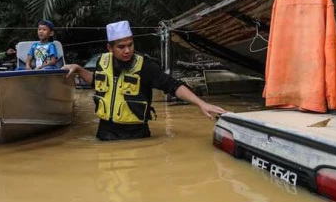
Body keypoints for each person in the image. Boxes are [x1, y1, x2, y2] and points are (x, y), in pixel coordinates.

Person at [63, 20, 228, 141]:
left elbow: (172, 85)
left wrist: (201, 103)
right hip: (105, 132)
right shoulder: (102, 62)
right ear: (110, 48)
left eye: (130, 45)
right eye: (121, 47)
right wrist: (78, 68)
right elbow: (96, 82)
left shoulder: (146, 66)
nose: (127, 50)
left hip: (136, 135)